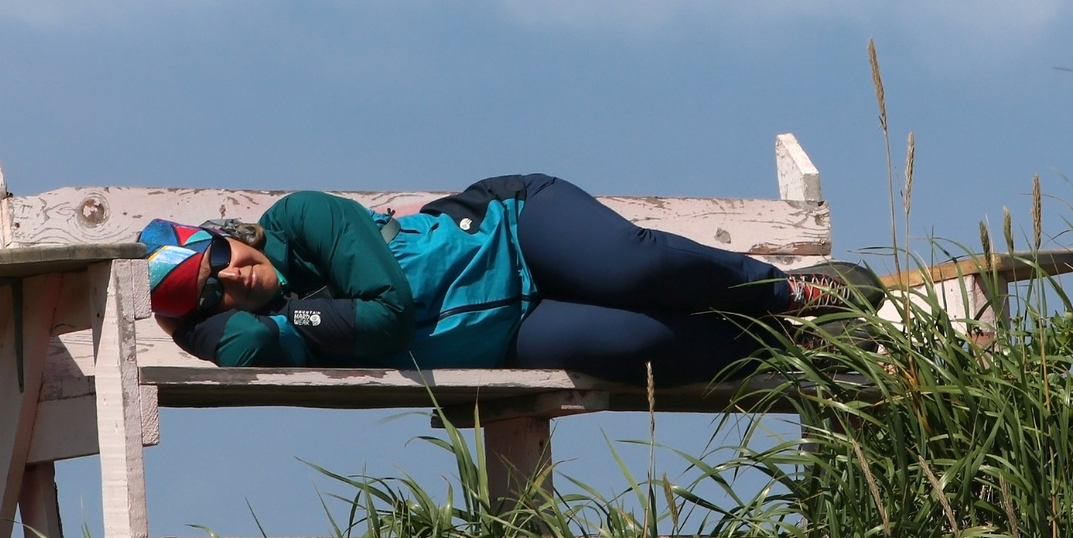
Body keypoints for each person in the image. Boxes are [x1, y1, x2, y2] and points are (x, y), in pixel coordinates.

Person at [141, 173, 879, 384]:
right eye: (217, 295)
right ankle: (804, 355)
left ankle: (795, 292)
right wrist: (195, 326)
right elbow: (236, 348)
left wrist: (295, 320)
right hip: (512, 330)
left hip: (515, 230)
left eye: (221, 262)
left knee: (636, 265)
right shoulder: (265, 326)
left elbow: (390, 315)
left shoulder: (304, 219)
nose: (234, 281)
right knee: (635, 346)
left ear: (227, 236)